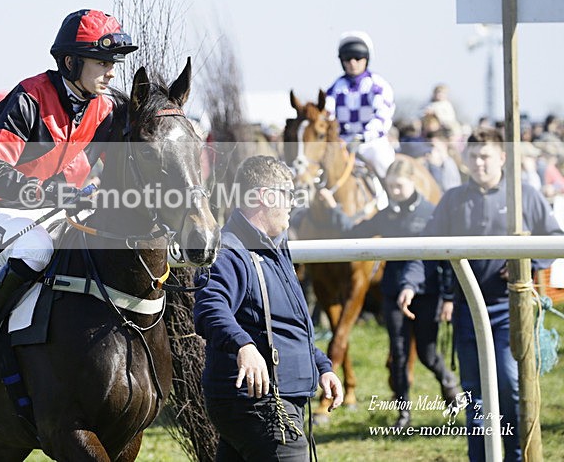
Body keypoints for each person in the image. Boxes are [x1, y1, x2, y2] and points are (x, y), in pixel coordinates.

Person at [0, 9, 137, 387]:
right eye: (102, 63)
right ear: (71, 62)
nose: (111, 72)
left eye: (114, 64)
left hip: (57, 211)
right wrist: (46, 192)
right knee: (36, 250)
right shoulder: (27, 98)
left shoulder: (107, 109)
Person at [399, 127, 563, 462]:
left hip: (511, 310)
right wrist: (409, 283)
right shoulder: (454, 199)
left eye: (485, 155)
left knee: (509, 386)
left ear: (502, 157)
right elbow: (425, 248)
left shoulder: (525, 195)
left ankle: (517, 455)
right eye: (473, 156)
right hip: (467, 312)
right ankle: (481, 457)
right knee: (475, 395)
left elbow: (554, 239)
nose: (479, 163)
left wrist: (526, 260)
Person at [194, 155, 343, 461]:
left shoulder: (276, 247)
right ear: (265, 196)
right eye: (288, 194)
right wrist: (244, 346)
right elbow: (210, 307)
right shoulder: (229, 250)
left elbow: (287, 326)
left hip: (267, 398)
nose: (293, 203)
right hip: (259, 402)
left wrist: (322, 367)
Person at [317, 158, 459, 429]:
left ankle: (448, 381)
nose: (394, 191)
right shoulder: (386, 214)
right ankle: (403, 413)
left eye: (399, 186)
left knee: (428, 353)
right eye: (390, 186)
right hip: (394, 292)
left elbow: (446, 257)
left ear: (413, 183)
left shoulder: (431, 212)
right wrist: (334, 209)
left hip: (426, 294)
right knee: (399, 351)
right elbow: (352, 231)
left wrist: (448, 296)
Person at [323, 31, 396, 179]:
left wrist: (363, 137)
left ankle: (394, 200)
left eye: (357, 58)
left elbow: (382, 117)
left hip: (371, 144)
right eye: (347, 59)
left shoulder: (377, 85)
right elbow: (327, 114)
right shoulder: (335, 88)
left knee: (387, 169)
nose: (352, 63)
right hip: (343, 144)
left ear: (366, 59)